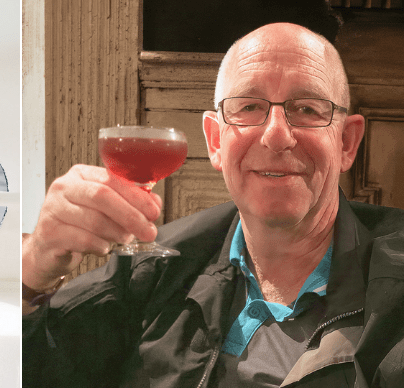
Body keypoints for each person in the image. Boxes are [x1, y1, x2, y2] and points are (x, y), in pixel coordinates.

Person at [22, 22, 404, 388]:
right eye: (249, 106)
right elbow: (28, 368)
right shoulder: (154, 271)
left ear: (346, 143)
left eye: (307, 108)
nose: (275, 136)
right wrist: (34, 265)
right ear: (215, 142)